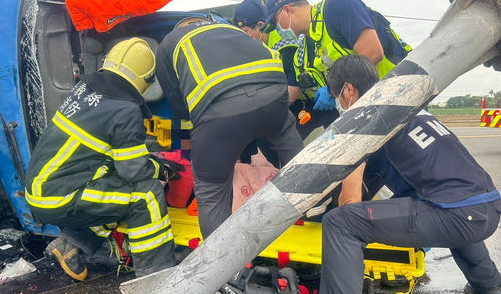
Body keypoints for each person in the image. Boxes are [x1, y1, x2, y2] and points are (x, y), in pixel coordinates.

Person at [286, 55, 501, 294]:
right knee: (449, 203)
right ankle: (493, 293)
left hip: (454, 216)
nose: (337, 102)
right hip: (486, 208)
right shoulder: (408, 108)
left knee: (340, 224)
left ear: (348, 90)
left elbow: (350, 204)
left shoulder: (365, 121)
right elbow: (376, 181)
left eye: (336, 95)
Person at [25, 38, 179, 280]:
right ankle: (157, 276)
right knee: (145, 195)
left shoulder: (85, 91)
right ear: (147, 80)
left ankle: (68, 248)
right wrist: (160, 167)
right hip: (61, 195)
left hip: (42, 190)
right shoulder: (125, 110)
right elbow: (134, 171)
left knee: (115, 191)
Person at [156, 19, 304, 238]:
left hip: (217, 118)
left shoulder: (170, 42)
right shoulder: (231, 30)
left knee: (212, 195)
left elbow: (179, 108)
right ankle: (310, 191)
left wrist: (191, 138)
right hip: (274, 95)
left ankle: (221, 267)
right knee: (285, 130)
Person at [261, 0, 411, 134]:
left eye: (275, 23)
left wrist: (333, 92)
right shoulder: (304, 52)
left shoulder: (336, 6)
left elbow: (372, 52)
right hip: (369, 114)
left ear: (287, 10)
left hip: (398, 95)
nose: (277, 30)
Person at [233, 0, 325, 140]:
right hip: (294, 102)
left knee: (279, 141)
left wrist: (261, 114)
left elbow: (293, 89)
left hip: (312, 102)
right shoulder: (263, 46)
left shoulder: (285, 44)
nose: (244, 38)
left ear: (260, 24)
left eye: (245, 32)